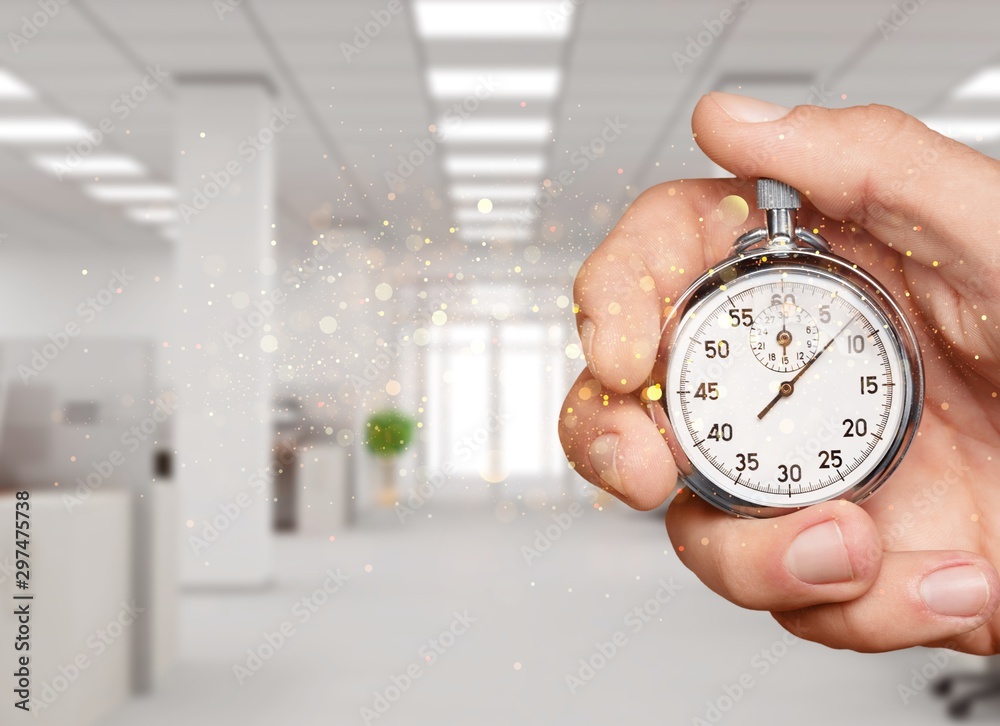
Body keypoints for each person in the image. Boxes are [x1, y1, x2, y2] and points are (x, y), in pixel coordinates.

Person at [559, 92, 1000, 655]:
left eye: (793, 380)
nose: (786, 384)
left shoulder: (888, 321)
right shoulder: (706, 318)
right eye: (781, 381)